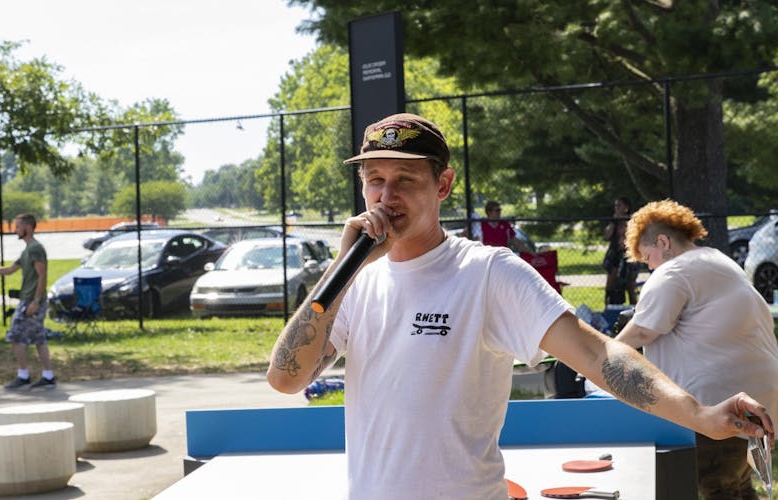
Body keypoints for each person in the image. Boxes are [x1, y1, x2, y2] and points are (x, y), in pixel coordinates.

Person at [266, 113, 773, 499]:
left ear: (443, 185)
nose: (386, 196)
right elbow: (287, 378)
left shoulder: (487, 272)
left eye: (406, 180)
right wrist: (341, 268)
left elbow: (597, 354)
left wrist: (700, 415)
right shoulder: (353, 281)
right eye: (375, 179)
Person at [615, 199, 778, 500]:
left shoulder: (673, 271)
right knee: (738, 486)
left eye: (648, 256)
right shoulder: (719, 261)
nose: (649, 266)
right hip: (760, 399)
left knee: (717, 487)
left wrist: (600, 355)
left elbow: (642, 330)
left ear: (663, 242)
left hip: (715, 402)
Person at [0, 213, 56, 390]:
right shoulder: (27, 250)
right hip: (29, 300)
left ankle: (23, 376)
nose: (15, 230)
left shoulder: (35, 249)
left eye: (18, 226)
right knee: (39, 338)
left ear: (27, 228)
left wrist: (36, 301)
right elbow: (10, 270)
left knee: (15, 336)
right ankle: (48, 376)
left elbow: (42, 275)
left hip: (32, 301)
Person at [602, 196, 639, 305]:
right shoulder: (614, 221)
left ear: (626, 208)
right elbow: (606, 236)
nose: (616, 208)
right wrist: (613, 221)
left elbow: (638, 237)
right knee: (611, 285)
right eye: (615, 206)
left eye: (619, 205)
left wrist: (627, 242)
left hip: (630, 255)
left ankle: (634, 310)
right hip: (615, 255)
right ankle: (609, 309)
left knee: (630, 286)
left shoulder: (633, 221)